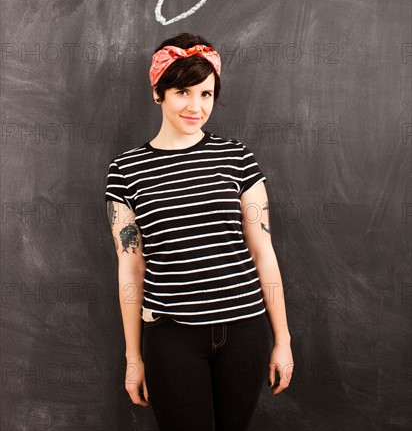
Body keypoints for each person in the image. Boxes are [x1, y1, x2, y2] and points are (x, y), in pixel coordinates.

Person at [105, 33, 294, 431]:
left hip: (245, 331)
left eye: (206, 94)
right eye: (183, 92)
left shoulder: (238, 158)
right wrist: (133, 357)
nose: (196, 106)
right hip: (170, 336)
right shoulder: (126, 171)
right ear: (158, 93)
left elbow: (263, 251)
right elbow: (130, 269)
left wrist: (283, 340)